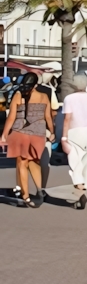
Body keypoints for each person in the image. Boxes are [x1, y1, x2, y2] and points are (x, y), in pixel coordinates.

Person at [2, 72, 54, 207]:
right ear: (36, 84)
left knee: (22, 164)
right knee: (35, 162)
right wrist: (52, 132)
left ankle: (25, 197)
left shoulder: (18, 95)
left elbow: (12, 117)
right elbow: (48, 117)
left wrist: (4, 135)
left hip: (20, 133)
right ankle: (39, 190)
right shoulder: (43, 96)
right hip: (38, 134)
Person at [60, 74, 87, 210]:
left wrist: (63, 137)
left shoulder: (69, 98)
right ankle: (84, 186)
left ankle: (79, 186)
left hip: (75, 132)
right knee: (86, 163)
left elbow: (67, 119)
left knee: (75, 162)